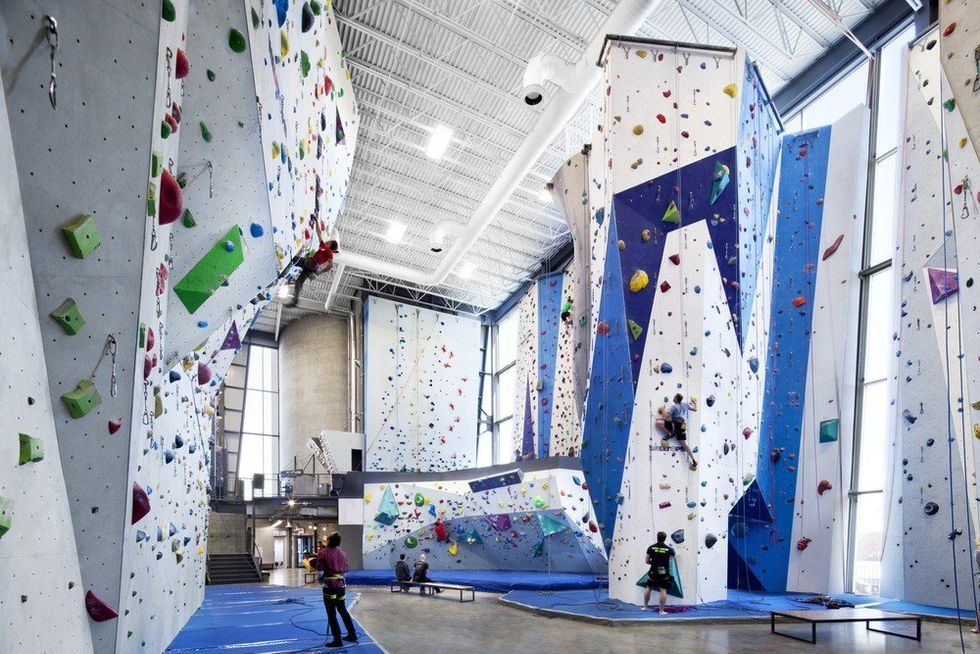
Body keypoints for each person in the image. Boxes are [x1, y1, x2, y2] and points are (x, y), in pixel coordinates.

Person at [317, 532, 357, 647]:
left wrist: (321, 580)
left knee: (331, 613)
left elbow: (320, 572)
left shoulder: (323, 553)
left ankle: (337, 639)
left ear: (329, 540)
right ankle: (352, 634)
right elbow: (345, 572)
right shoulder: (343, 553)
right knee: (342, 609)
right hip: (341, 586)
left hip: (329, 586)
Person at [643, 531, 676, 614]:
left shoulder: (651, 548)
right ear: (665, 538)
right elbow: (674, 556)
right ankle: (661, 610)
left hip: (653, 571)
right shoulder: (669, 549)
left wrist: (654, 563)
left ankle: (645, 607)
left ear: (657, 537)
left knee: (648, 588)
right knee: (663, 590)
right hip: (663, 572)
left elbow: (647, 561)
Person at [668, 393, 698, 469]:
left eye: (674, 397)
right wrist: (695, 403)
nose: (673, 397)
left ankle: (671, 434)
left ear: (676, 399)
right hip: (683, 425)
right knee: (684, 444)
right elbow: (695, 409)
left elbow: (668, 416)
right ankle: (693, 459)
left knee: (684, 445)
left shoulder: (674, 407)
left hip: (678, 425)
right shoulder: (685, 404)